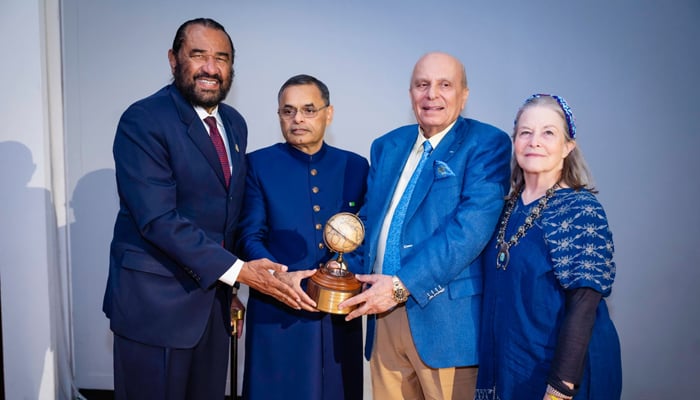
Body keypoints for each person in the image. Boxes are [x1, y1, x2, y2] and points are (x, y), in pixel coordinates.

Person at [102, 18, 303, 400]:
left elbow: (227, 214)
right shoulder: (143, 120)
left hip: (213, 307)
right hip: (154, 310)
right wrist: (241, 272)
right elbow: (158, 220)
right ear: (173, 60)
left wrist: (233, 288)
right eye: (198, 55)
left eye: (222, 58)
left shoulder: (234, 124)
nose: (211, 67)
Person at [339, 52, 512, 399]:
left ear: (464, 96)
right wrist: (339, 271)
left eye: (444, 85)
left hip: (446, 323)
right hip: (382, 320)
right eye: (422, 85)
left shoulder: (487, 144)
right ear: (410, 94)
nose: (432, 94)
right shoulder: (387, 146)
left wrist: (401, 286)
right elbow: (372, 221)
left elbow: (468, 232)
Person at [474, 94, 622, 400]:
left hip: (562, 372)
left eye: (548, 133)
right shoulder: (504, 208)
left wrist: (560, 387)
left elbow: (584, 304)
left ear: (568, 147)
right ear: (514, 141)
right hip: (511, 365)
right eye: (525, 132)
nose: (534, 142)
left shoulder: (580, 210)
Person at [236, 74, 368, 399]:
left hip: (340, 315)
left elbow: (367, 233)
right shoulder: (257, 165)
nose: (298, 119)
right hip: (278, 310)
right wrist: (279, 277)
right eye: (288, 111)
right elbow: (249, 234)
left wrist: (343, 272)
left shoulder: (355, 166)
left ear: (329, 113)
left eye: (309, 109)